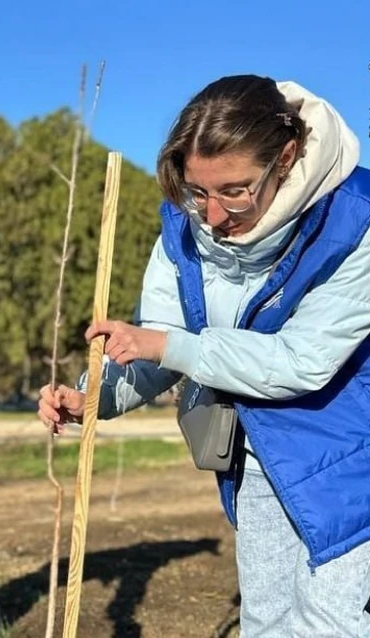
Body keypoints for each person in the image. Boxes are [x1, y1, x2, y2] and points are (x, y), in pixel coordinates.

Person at [38, 75, 370, 637]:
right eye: (198, 191)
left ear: (286, 158)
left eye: (234, 190)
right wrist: (93, 392)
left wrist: (169, 345)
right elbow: (156, 344)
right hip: (259, 456)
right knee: (266, 623)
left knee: (330, 624)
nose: (212, 215)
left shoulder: (355, 222)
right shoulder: (183, 231)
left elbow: (301, 360)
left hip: (351, 454)